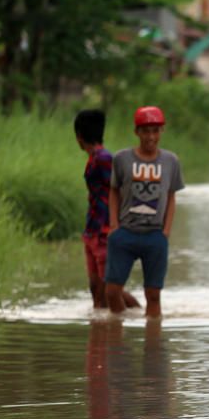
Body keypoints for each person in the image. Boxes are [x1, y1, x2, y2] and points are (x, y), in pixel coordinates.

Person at [106, 106, 185, 318]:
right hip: (125, 233)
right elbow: (113, 191)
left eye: (155, 131)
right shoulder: (122, 158)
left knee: (153, 295)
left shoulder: (171, 161)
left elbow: (171, 196)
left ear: (161, 132)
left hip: (155, 235)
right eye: (146, 131)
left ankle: (153, 342)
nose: (151, 136)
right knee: (112, 292)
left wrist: (166, 231)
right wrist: (114, 225)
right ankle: (118, 332)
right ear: (137, 132)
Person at [73, 109, 139, 310]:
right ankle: (100, 328)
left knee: (110, 290)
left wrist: (117, 227)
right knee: (96, 287)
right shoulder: (94, 158)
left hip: (105, 232)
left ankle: (143, 316)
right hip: (92, 230)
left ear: (79, 137)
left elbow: (124, 190)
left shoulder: (104, 158)